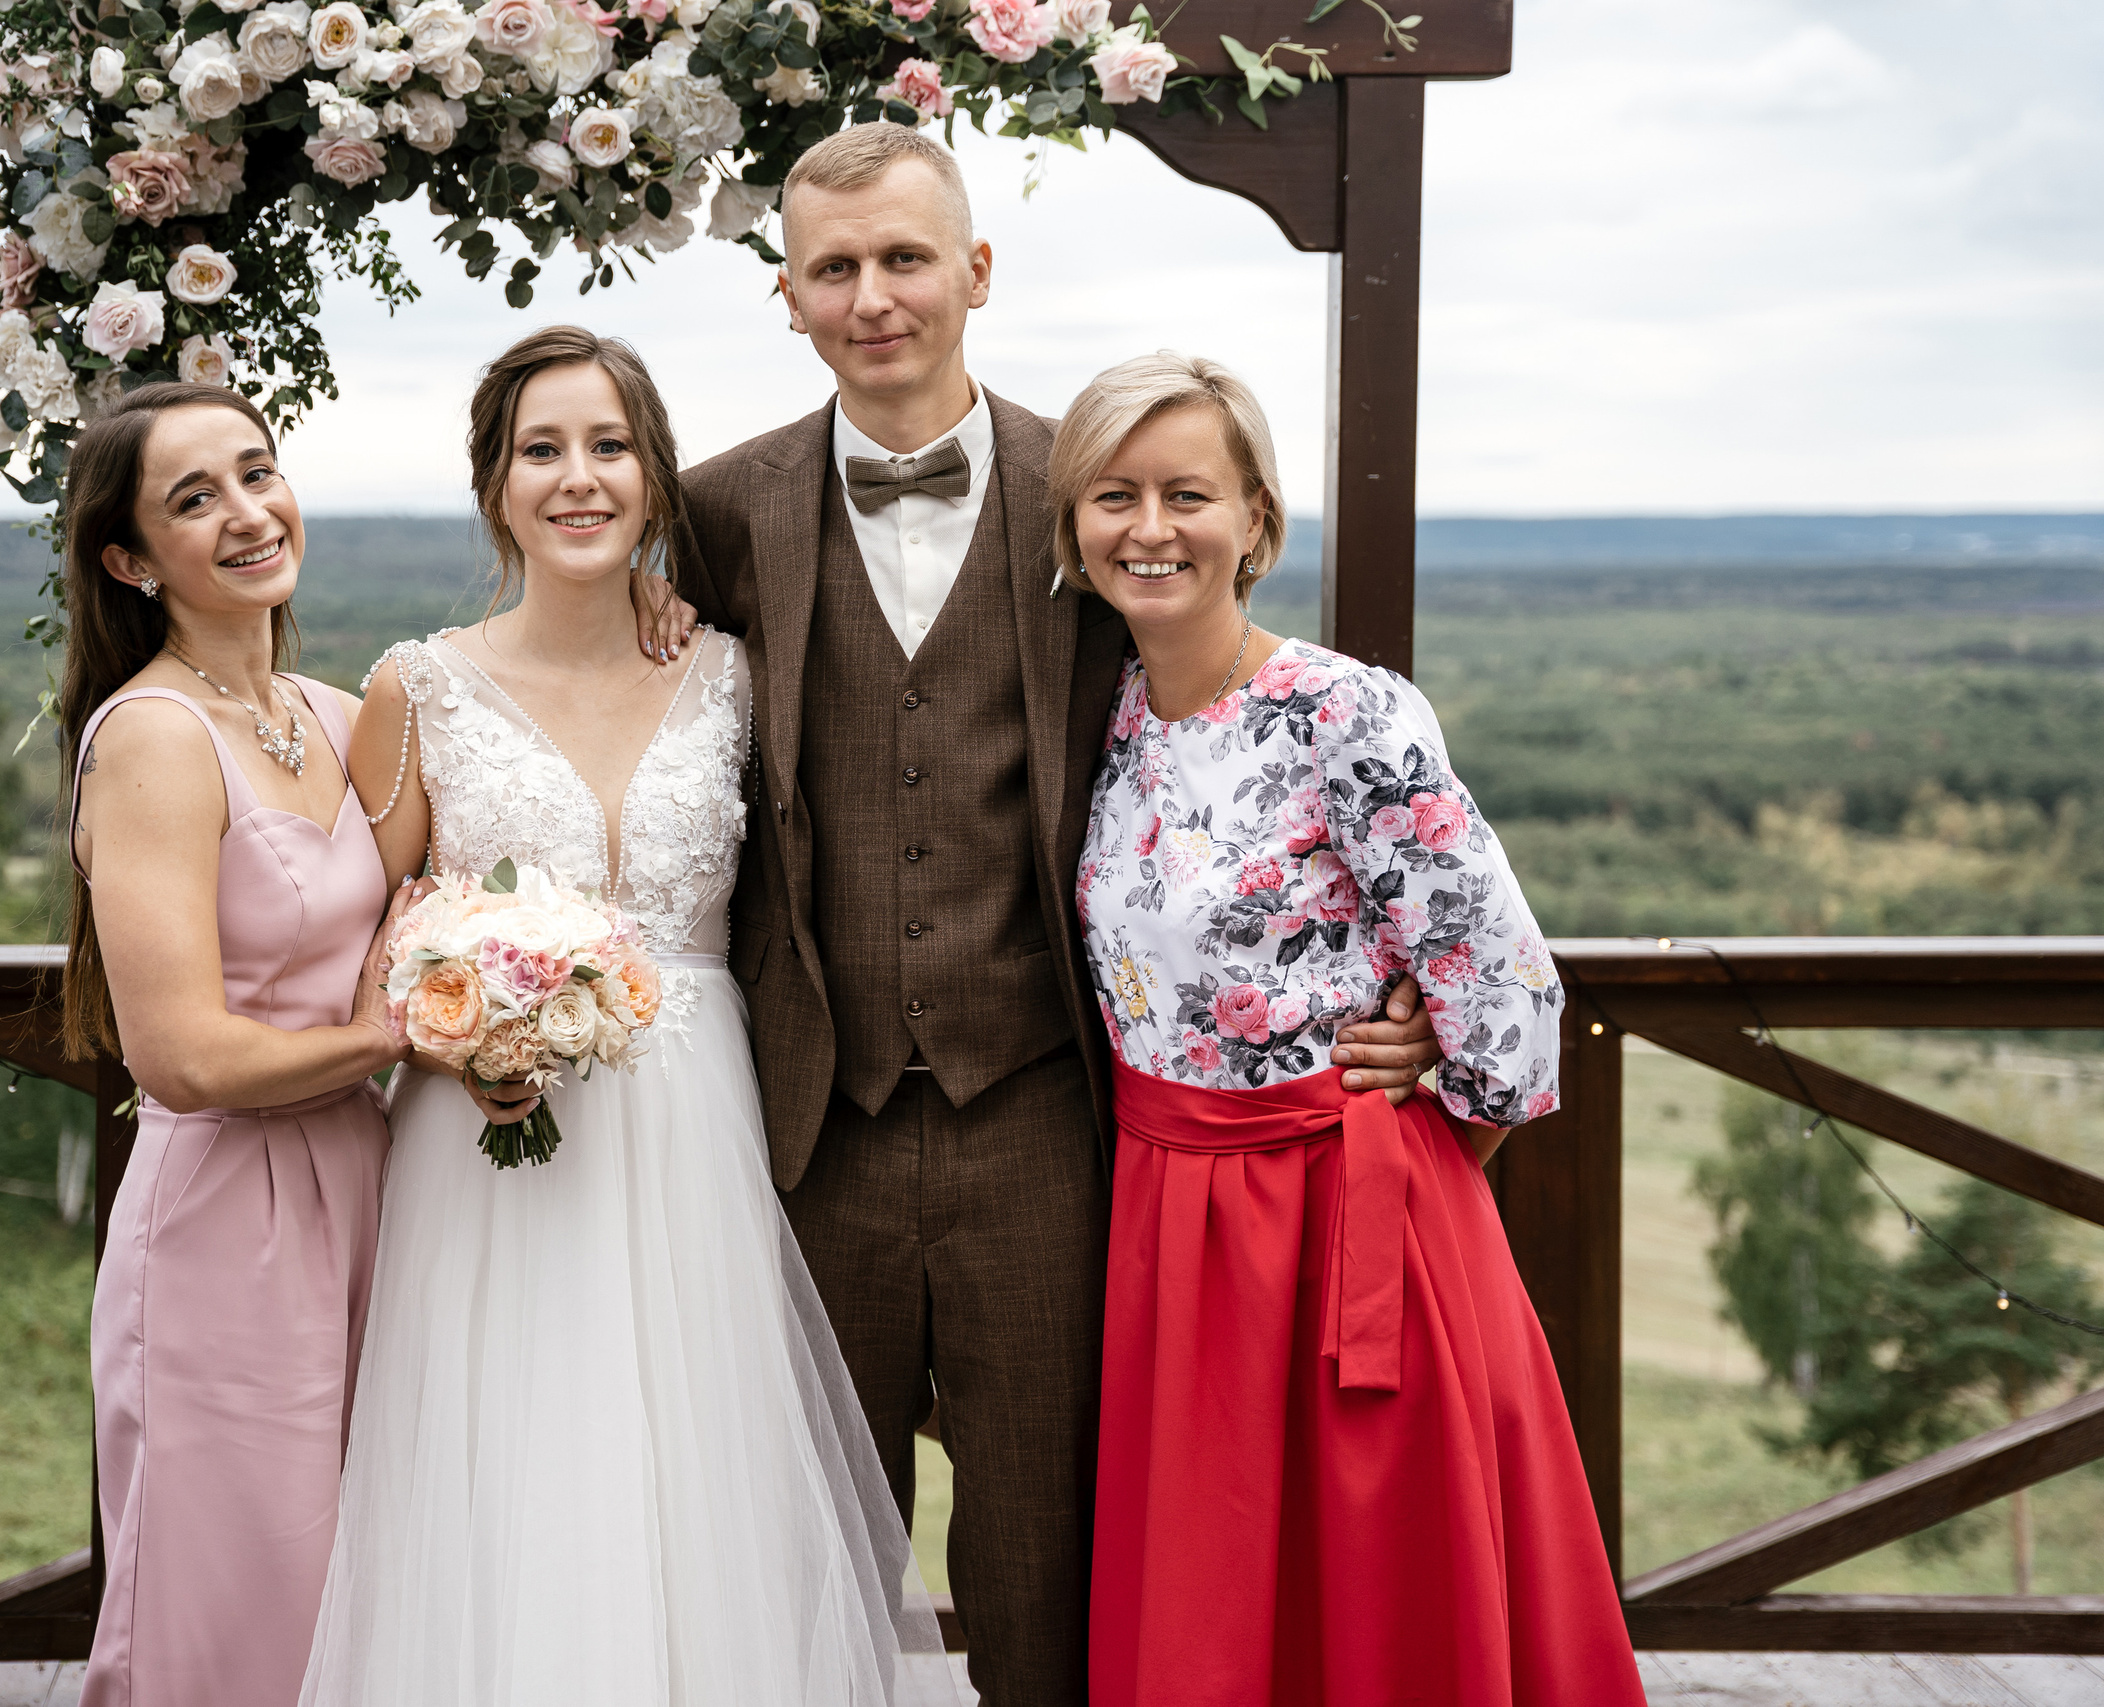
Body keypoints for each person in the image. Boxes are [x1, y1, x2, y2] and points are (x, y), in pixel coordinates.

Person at [666, 124, 1444, 1704]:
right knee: (798, 1560)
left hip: (1048, 1119)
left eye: (905, 258)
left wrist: (1404, 979)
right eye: (835, 268)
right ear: (789, 295)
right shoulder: (718, 511)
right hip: (804, 1129)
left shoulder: (1092, 496)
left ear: (977, 271)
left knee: (1052, 1563)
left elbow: (1238, 728)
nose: (874, 297)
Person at [301, 325, 943, 1704]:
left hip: (700, 1131)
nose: (577, 478)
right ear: (495, 483)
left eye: (608, 447)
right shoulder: (416, 689)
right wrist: (450, 1037)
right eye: (541, 449)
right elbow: (370, 944)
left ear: (654, 476)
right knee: (511, 1473)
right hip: (491, 1152)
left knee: (699, 1479)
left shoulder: (734, 675)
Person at [1056, 352, 1647, 1706]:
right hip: (1167, 1221)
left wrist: (1410, 1160)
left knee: (1377, 1604)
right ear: (1075, 529)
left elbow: (1506, 987)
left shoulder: (1347, 713)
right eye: (1115, 496)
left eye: (1189, 494)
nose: (1151, 528)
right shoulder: (1106, 714)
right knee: (1213, 1604)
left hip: (1344, 1217)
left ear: (1255, 519)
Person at [58, 382, 412, 1707]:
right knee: (237, 1616)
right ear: (131, 561)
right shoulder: (154, 737)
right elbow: (184, 1058)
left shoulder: (334, 715)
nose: (249, 513)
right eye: (195, 499)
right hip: (226, 1219)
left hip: (367, 1189)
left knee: (362, 1601)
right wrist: (391, 1038)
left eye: (258, 473)